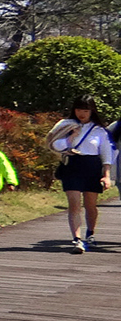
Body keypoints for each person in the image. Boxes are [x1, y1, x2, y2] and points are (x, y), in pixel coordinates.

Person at [47, 95, 114, 253]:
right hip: (72, 165)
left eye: (85, 110)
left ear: (92, 111)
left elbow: (106, 154)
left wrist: (107, 175)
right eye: (78, 110)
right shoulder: (66, 125)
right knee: (74, 203)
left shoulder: (100, 131)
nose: (81, 114)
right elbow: (54, 144)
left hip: (92, 167)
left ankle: (90, 233)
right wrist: (71, 137)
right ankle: (77, 239)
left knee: (90, 204)